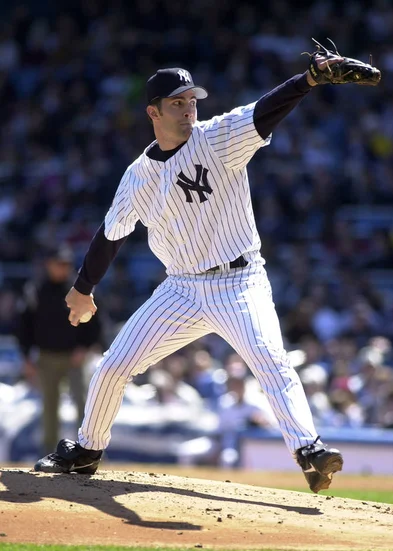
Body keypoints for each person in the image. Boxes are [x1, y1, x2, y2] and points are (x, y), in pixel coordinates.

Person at [34, 56, 345, 493]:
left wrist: (308, 79)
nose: (188, 109)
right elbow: (110, 234)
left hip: (239, 281)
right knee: (113, 365)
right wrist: (83, 289)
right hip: (180, 288)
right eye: (176, 103)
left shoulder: (217, 138)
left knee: (269, 359)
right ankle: (87, 449)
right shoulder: (138, 176)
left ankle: (309, 450)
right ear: (153, 112)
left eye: (191, 101)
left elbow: (263, 110)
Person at [16, 245, 103, 453]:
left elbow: (96, 323)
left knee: (84, 404)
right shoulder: (35, 291)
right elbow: (24, 326)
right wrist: (26, 356)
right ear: (48, 265)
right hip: (47, 357)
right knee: (49, 406)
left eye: (66, 264)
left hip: (75, 357)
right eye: (59, 263)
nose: (63, 268)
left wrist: (84, 348)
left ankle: (89, 450)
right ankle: (49, 452)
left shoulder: (80, 291)